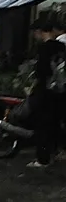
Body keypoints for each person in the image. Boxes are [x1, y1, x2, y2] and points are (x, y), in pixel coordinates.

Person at [28, 14, 66, 168]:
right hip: (61, 90)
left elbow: (41, 72)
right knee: (56, 123)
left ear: (40, 32)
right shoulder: (62, 47)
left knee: (42, 125)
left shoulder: (44, 49)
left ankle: (43, 159)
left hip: (46, 91)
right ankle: (55, 153)